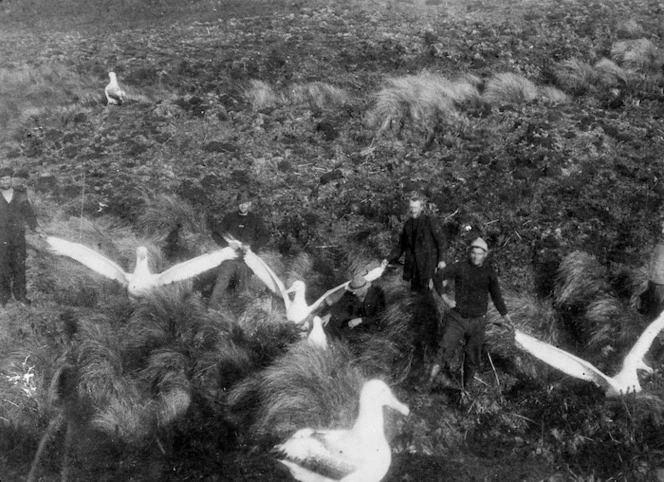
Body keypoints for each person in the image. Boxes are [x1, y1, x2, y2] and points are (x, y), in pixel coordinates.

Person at [428, 237, 514, 391]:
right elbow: (437, 277)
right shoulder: (460, 267)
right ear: (469, 253)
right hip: (457, 319)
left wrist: (506, 317)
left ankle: (466, 391)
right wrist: (446, 299)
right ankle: (427, 382)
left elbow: (497, 297)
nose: (475, 256)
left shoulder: (489, 273)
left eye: (479, 254)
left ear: (485, 255)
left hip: (478, 322)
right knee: (444, 350)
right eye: (473, 253)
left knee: (473, 357)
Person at [209, 190, 269, 307]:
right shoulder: (229, 217)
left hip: (247, 259)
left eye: (245, 203)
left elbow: (265, 237)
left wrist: (252, 246)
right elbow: (215, 233)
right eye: (240, 203)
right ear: (237, 204)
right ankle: (211, 309)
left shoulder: (256, 219)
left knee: (244, 286)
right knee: (221, 281)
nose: (243, 206)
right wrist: (227, 245)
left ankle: (242, 310)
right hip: (230, 257)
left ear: (250, 204)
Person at [384, 191, 448, 294]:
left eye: (415, 208)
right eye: (411, 207)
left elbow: (441, 241)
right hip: (413, 266)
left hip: (428, 265)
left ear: (421, 208)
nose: (413, 210)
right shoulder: (408, 224)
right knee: (414, 294)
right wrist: (388, 259)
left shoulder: (430, 221)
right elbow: (401, 245)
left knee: (427, 294)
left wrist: (442, 260)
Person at [0, 166, 44, 306]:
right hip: (1, 238)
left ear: (11, 179)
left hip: (18, 237)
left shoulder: (20, 194)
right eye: (1, 179)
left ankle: (20, 295)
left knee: (19, 267)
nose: (4, 182)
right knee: (2, 267)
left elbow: (29, 214)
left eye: (7, 178)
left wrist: (36, 228)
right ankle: (4, 296)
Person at [322, 274, 386, 339]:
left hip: (371, 323)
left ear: (363, 289)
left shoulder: (377, 294)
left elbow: (378, 316)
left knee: (364, 337)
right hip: (355, 317)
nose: (353, 293)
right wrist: (330, 314)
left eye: (355, 291)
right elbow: (341, 303)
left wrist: (360, 320)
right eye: (352, 290)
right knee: (335, 322)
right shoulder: (352, 291)